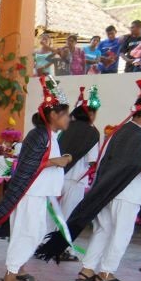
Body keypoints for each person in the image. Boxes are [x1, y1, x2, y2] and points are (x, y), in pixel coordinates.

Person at [37, 80, 141, 281]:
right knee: (121, 233)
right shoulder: (136, 135)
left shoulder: (121, 131)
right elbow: (138, 165)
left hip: (109, 192)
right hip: (126, 193)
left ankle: (88, 269)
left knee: (104, 230)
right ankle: (107, 273)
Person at [0, 76, 71, 281]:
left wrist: (58, 160)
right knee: (28, 233)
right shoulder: (38, 135)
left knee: (32, 232)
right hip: (31, 193)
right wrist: (57, 161)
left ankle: (18, 268)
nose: (68, 119)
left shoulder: (50, 135)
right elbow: (28, 164)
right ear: (54, 115)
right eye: (65, 114)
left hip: (39, 194)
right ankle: (9, 277)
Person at [58, 86, 102, 220]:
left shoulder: (64, 128)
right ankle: (59, 240)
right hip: (77, 179)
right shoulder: (93, 133)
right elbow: (92, 159)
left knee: (52, 214)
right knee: (67, 216)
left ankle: (44, 239)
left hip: (58, 175)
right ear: (91, 114)